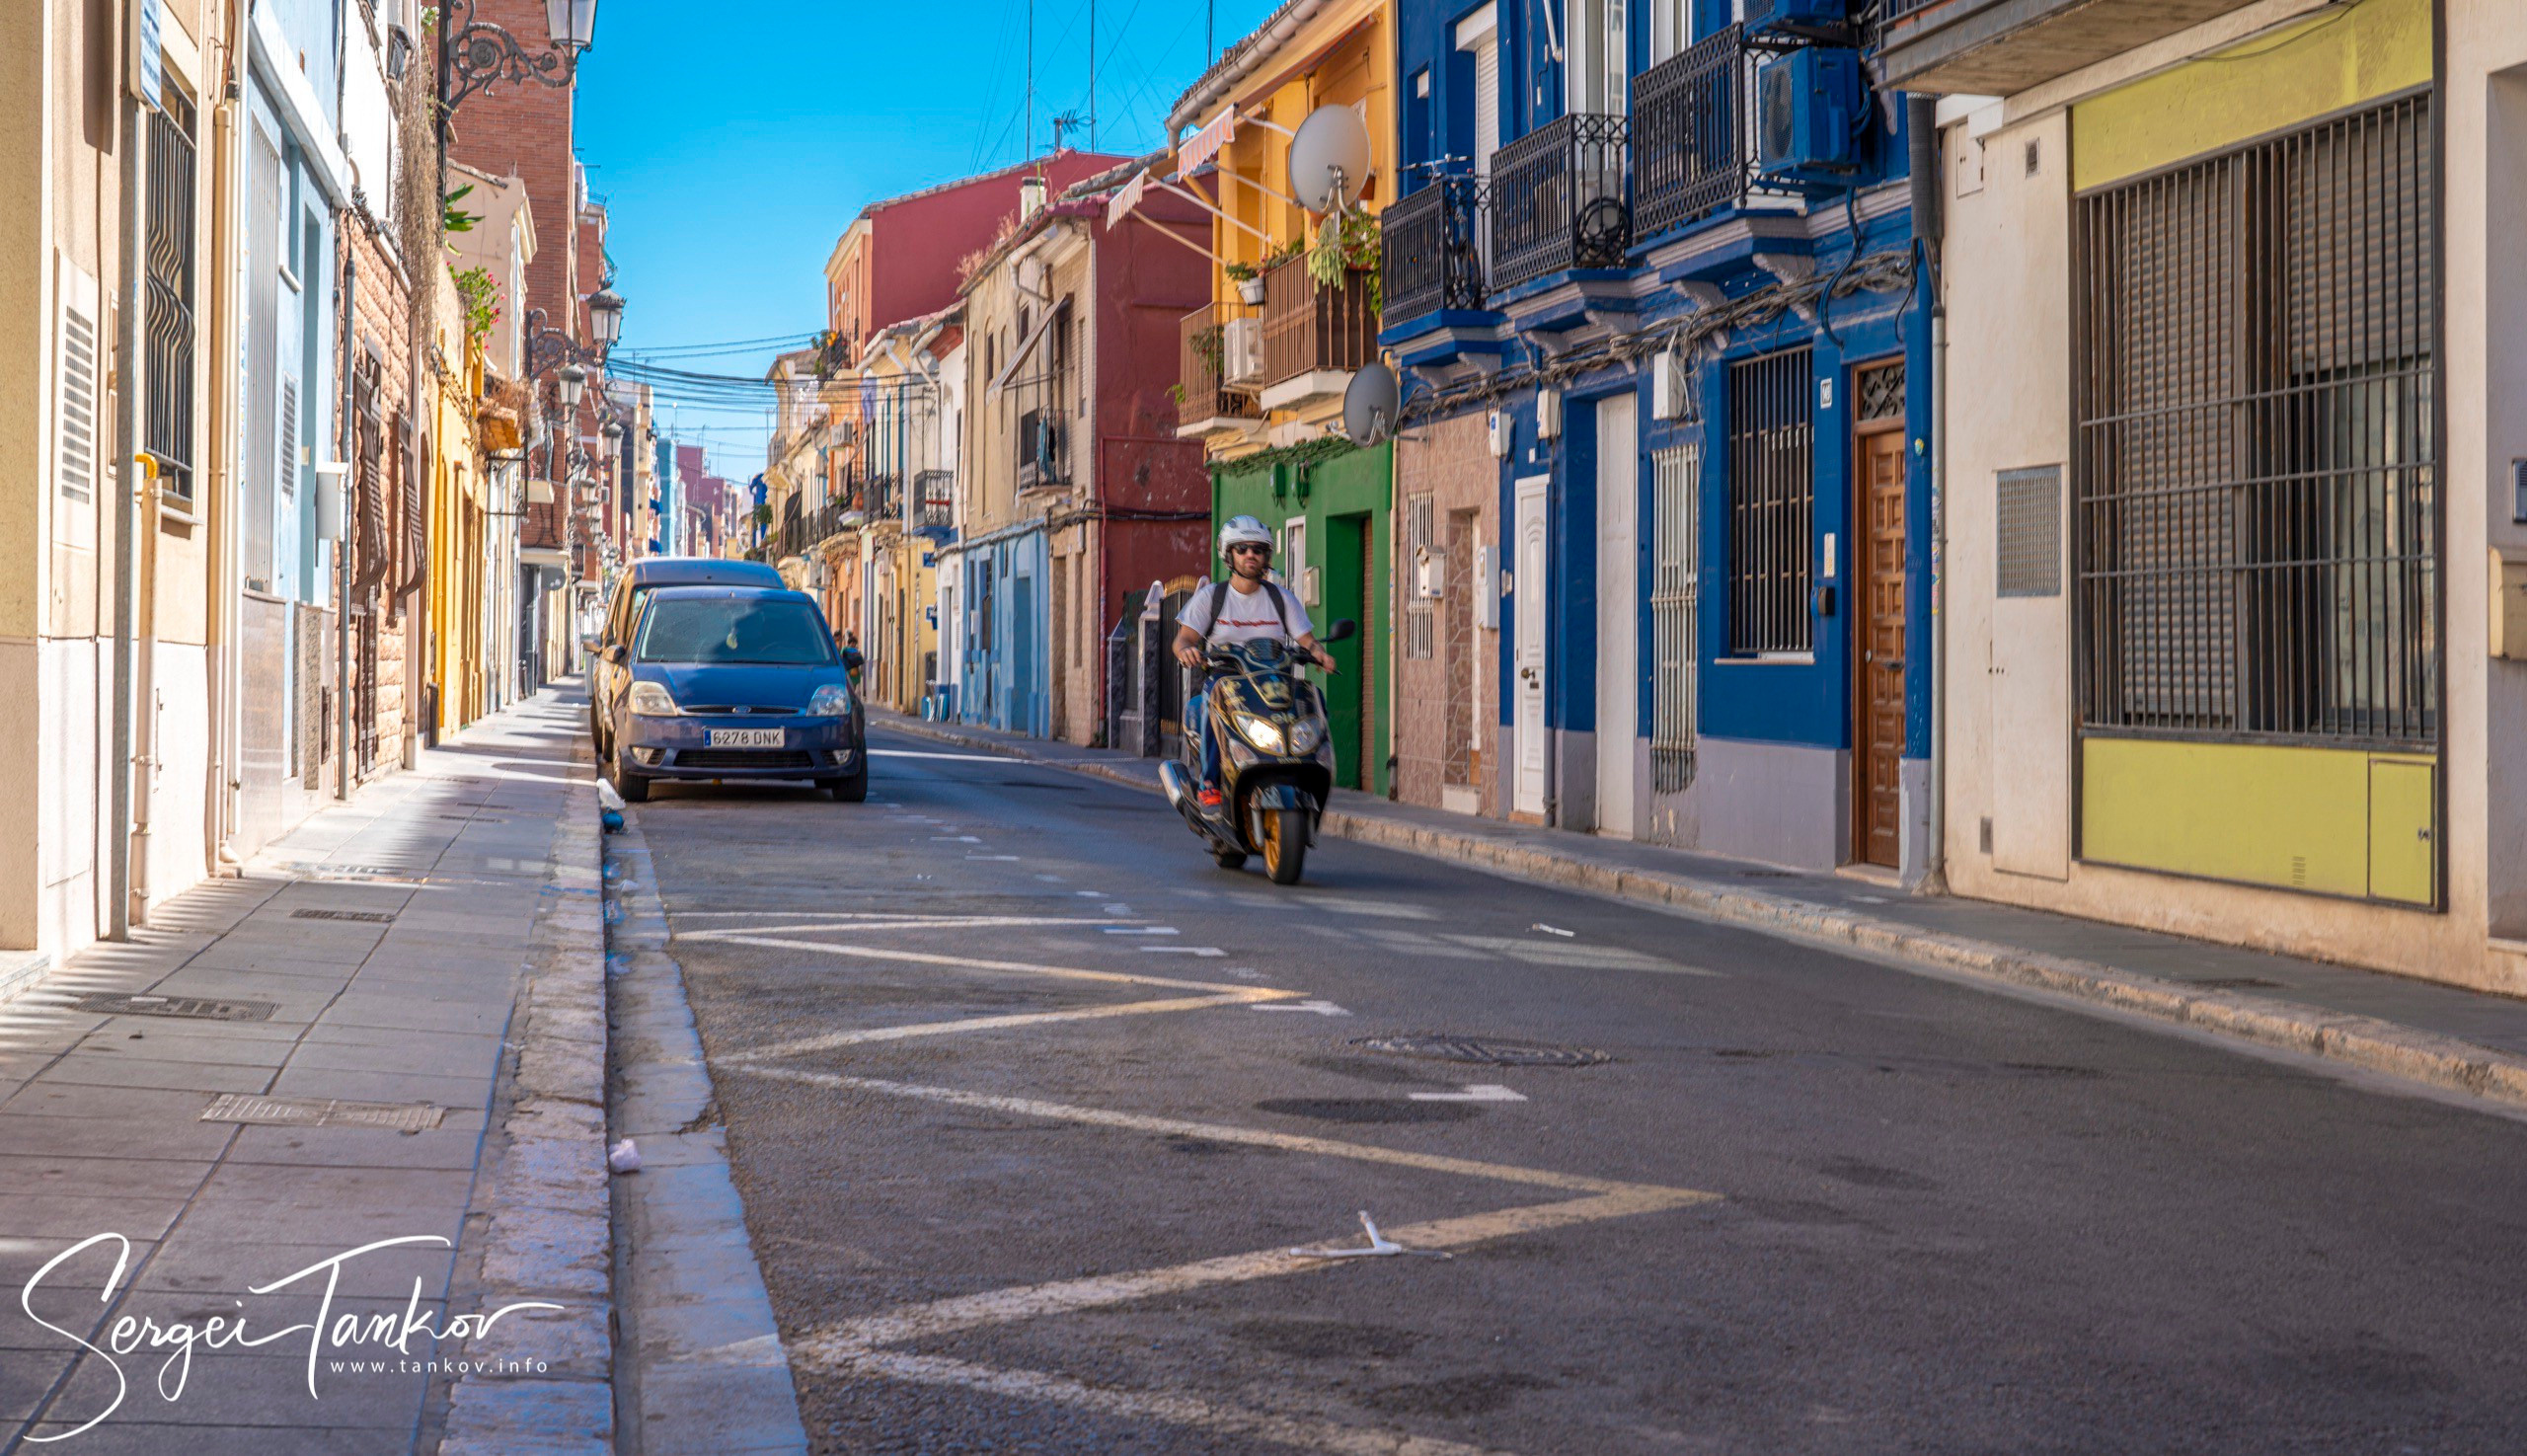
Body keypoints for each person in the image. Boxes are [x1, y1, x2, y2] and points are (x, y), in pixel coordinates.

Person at [1173, 515, 1337, 810]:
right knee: (1214, 702)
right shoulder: (1212, 597)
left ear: (1266, 557)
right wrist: (1186, 651)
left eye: (1258, 550)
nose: (1251, 555)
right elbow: (1183, 639)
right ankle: (1210, 783)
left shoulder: (1281, 598)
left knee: (1315, 698)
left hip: (1274, 681)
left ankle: (1313, 767)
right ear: (1229, 554)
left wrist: (1319, 653)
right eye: (1243, 548)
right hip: (1227, 680)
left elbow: (1306, 639)